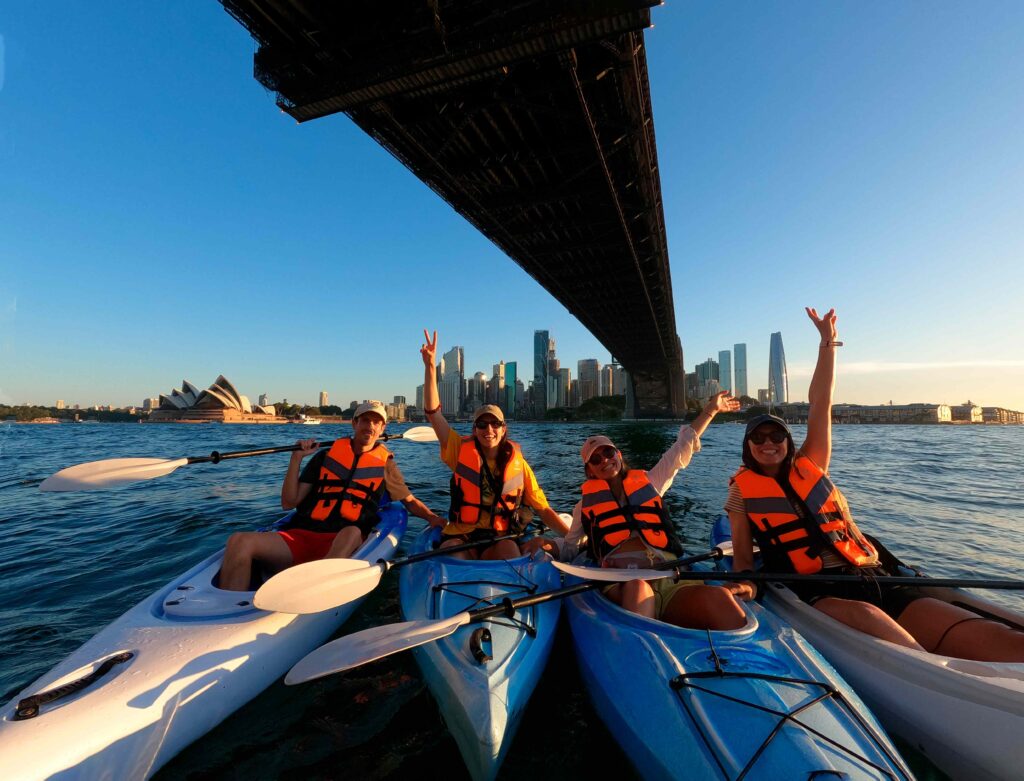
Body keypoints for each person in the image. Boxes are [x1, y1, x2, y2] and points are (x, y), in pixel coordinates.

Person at [727, 308, 1024, 661]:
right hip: (818, 588)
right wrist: (746, 583)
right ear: (748, 447)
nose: (767, 442)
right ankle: (935, 672)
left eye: (776, 434)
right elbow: (743, 557)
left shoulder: (812, 464)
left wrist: (827, 345)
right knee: (868, 617)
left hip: (871, 574)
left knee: (996, 637)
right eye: (757, 437)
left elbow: (820, 403)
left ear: (788, 441)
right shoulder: (741, 492)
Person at [539, 391, 747, 630]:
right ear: (590, 472)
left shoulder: (650, 481)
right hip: (623, 581)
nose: (605, 460)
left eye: (608, 452)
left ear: (619, 455)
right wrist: (548, 546)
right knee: (638, 588)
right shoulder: (584, 506)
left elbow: (681, 448)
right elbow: (572, 546)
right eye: (596, 459)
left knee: (719, 600)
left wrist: (711, 410)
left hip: (668, 576)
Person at [219, 400, 445, 591]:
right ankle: (226, 613)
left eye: (376, 422)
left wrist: (433, 518)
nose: (370, 426)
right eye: (365, 420)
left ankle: (312, 589)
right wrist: (296, 458)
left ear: (382, 429)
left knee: (351, 531)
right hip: (301, 536)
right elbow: (289, 502)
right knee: (239, 541)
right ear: (354, 423)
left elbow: (409, 501)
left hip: (342, 543)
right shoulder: (325, 458)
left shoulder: (386, 466)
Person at [419, 330, 569, 560]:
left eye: (494, 424)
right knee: (454, 556)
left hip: (501, 537)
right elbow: (434, 414)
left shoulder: (519, 465)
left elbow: (543, 510)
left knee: (509, 552)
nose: (488, 429)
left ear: (503, 428)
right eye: (482, 424)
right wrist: (430, 367)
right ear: (474, 429)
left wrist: (570, 542)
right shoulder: (459, 450)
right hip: (463, 535)